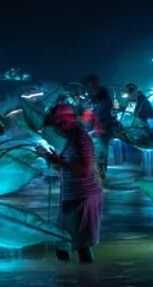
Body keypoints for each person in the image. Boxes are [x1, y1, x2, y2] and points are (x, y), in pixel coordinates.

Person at [35, 103, 103, 263]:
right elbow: (64, 166)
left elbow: (85, 170)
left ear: (70, 121)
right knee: (63, 243)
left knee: (79, 245)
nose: (58, 129)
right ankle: (71, 280)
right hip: (72, 194)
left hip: (84, 196)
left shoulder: (81, 138)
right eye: (56, 126)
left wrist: (59, 161)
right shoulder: (70, 138)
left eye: (60, 124)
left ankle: (84, 281)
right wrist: (48, 157)